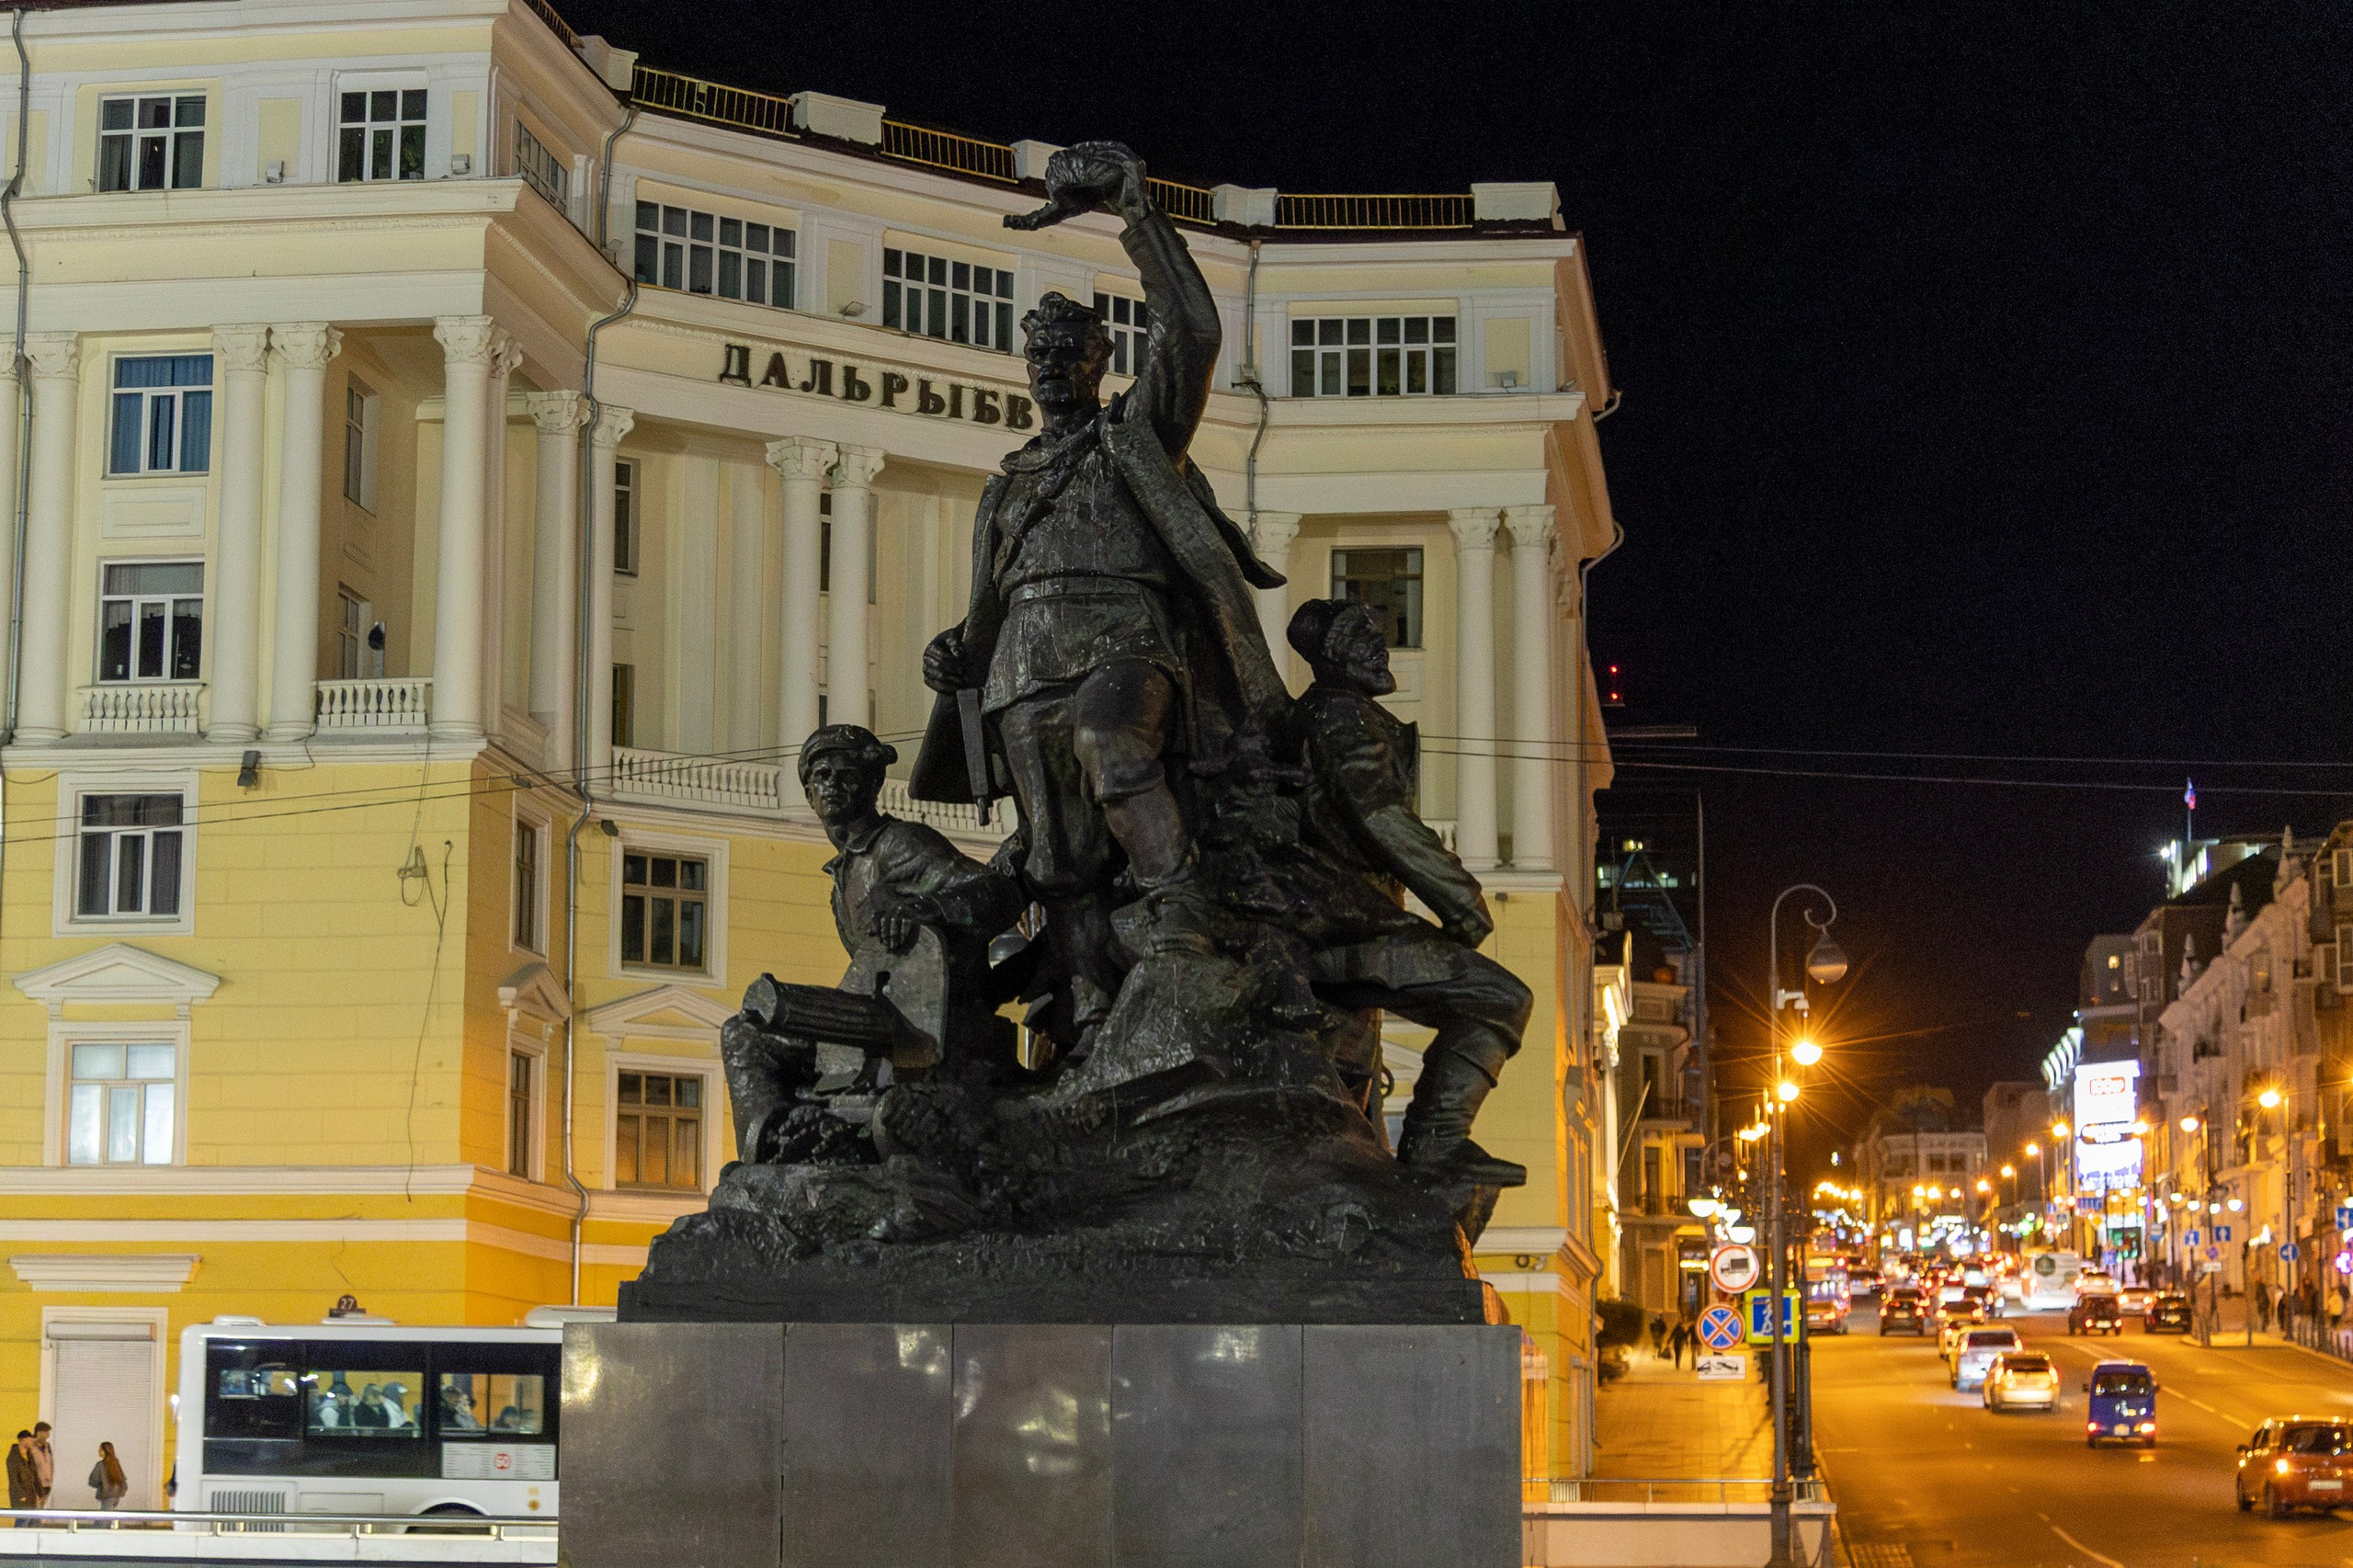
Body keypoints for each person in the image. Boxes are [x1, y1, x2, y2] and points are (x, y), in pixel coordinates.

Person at [914, 140, 1289, 1050]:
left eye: (1068, 352)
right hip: (1020, 665)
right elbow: (990, 601)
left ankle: (1182, 917)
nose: (1049, 364)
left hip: (1124, 635)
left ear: (1098, 361)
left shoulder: (1134, 434)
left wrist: (1137, 212)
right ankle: (1083, 1019)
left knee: (1111, 742)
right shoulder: (1007, 484)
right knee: (1058, 858)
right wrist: (954, 649)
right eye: (1038, 352)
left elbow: (1192, 334)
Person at [1281, 599, 1533, 1182]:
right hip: (1342, 922)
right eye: (1361, 639)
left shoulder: (1325, 712)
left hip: (1331, 920)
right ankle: (1435, 1142)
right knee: (1499, 998)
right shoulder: (1340, 715)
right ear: (1331, 656)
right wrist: (1460, 899)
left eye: (1380, 636)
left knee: (1347, 1081)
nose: (1381, 649)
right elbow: (1380, 815)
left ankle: (1383, 1163)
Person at [722, 725, 1025, 1164]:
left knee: (754, 1023)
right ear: (808, 794)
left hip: (928, 1026)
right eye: (821, 776)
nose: (832, 785)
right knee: (745, 1032)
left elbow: (999, 894)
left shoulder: (898, 843)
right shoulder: (841, 877)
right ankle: (771, 1143)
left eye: (846, 775)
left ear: (873, 784)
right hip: (880, 1025)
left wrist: (926, 908)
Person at [88, 1443, 126, 1522]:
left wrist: (100, 1485)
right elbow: (122, 1479)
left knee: (102, 1521)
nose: (98, 1451)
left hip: (106, 1495)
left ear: (105, 1451)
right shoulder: (116, 1464)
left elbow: (93, 1481)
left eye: (100, 1450)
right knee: (111, 1519)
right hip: (116, 1496)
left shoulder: (100, 1465)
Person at [7, 1431, 37, 1526]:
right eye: (29, 1440)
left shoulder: (30, 1456)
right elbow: (13, 1479)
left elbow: (35, 1475)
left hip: (31, 1496)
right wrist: (21, 1495)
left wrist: (39, 1493)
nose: (31, 1442)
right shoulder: (13, 1458)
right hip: (21, 1498)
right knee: (22, 1521)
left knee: (33, 1522)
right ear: (22, 1440)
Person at [28, 1424, 51, 1513]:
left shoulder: (47, 1447)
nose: (48, 1436)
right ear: (39, 1433)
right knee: (33, 1510)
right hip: (35, 1485)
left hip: (47, 1484)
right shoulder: (30, 1447)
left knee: (40, 1510)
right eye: (46, 1433)